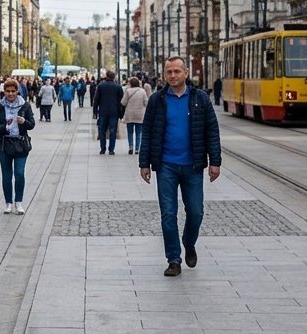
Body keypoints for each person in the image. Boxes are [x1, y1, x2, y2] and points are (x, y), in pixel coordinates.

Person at [139, 56, 221, 278]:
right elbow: (147, 131)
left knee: (196, 211)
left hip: (193, 165)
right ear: (164, 74)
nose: (173, 75)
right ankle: (173, 259)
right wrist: (144, 163)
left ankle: (188, 241)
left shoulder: (200, 98)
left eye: (177, 71)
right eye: (169, 72)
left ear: (186, 73)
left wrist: (215, 161)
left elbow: (212, 130)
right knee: (168, 214)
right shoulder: (157, 100)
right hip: (165, 165)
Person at [0, 80, 35, 215]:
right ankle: (8, 203)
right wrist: (3, 127)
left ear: (17, 92)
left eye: (13, 91)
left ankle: (19, 202)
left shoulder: (25, 105)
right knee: (6, 175)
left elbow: (32, 124)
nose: (10, 94)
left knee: (19, 173)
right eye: (8, 91)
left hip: (20, 144)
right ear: (4, 92)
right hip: (4, 144)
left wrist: (24, 121)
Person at [91, 70, 124, 155]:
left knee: (102, 130)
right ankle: (111, 149)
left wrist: (95, 112)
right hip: (114, 112)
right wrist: (121, 114)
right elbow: (121, 101)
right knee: (113, 131)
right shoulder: (118, 87)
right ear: (114, 77)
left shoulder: (101, 86)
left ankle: (103, 148)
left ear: (106, 76)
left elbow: (96, 99)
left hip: (103, 111)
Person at [122, 77, 149, 156]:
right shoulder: (142, 91)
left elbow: (123, 102)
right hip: (140, 115)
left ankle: (131, 147)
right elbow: (146, 103)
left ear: (131, 84)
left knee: (130, 132)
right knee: (138, 133)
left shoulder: (128, 91)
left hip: (129, 115)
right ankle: (137, 149)